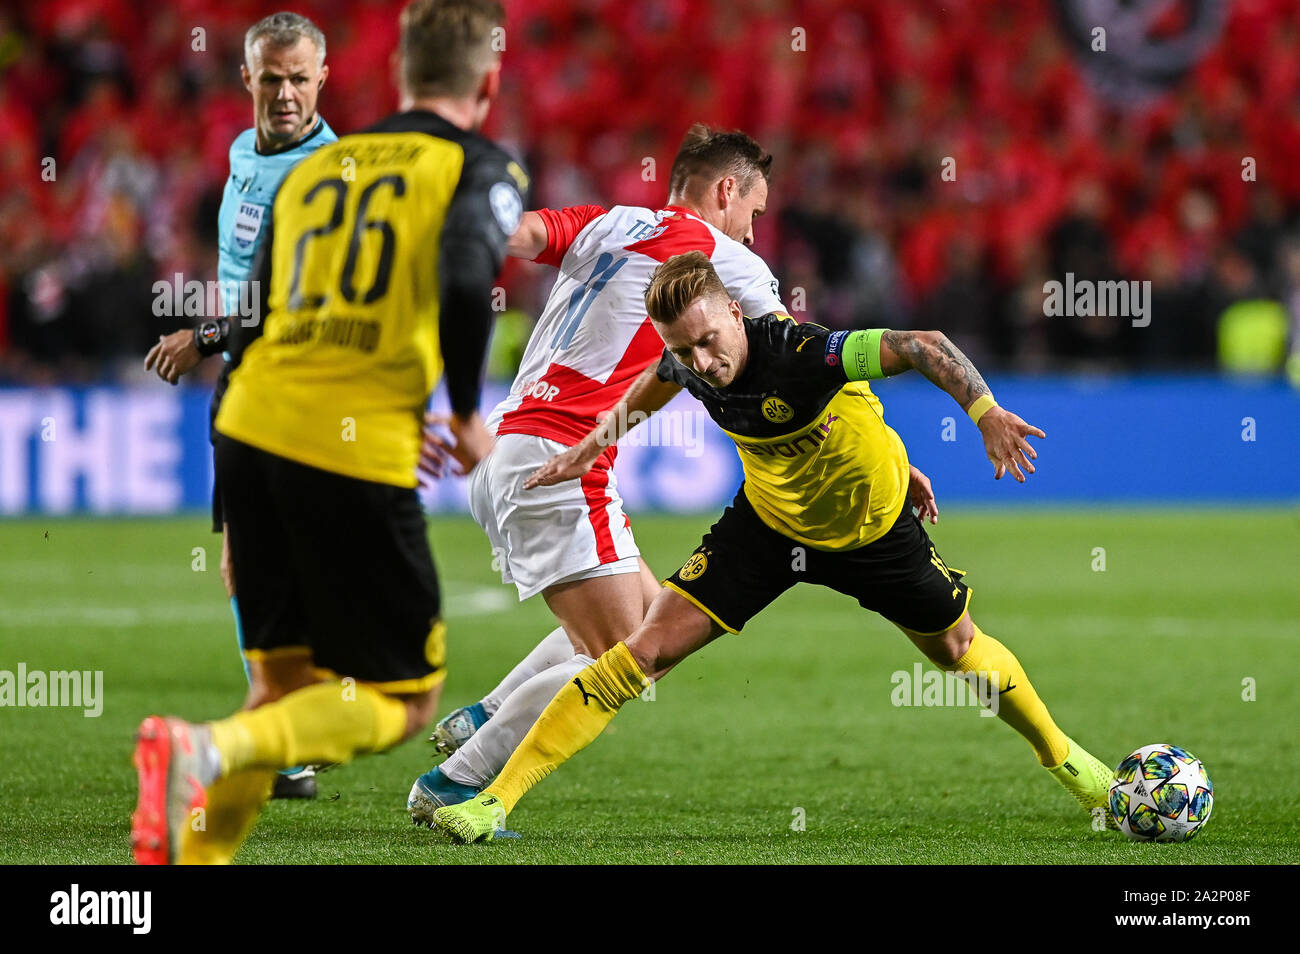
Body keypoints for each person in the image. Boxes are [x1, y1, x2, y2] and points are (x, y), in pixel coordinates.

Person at [431, 250, 1117, 843]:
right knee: (641, 653)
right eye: (683, 348)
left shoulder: (799, 351)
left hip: (873, 535)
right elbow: (656, 384)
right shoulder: (688, 362)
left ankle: (1070, 764)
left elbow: (922, 344)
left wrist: (985, 413)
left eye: (707, 340)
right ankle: (492, 801)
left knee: (958, 648)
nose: (703, 361)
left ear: (734, 311)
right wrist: (590, 448)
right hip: (768, 529)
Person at [406, 124, 941, 822]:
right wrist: (894, 455)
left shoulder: (610, 222)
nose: (753, 233)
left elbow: (518, 235)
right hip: (563, 459)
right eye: (754, 212)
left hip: (515, 442)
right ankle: (457, 780)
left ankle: (487, 714)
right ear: (726, 191)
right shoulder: (729, 271)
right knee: (631, 656)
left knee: (649, 610)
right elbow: (811, 367)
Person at [130, 0, 527, 864]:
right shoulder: (479, 165)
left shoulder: (321, 170)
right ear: (489, 81)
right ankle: (208, 750)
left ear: (393, 77)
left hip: (248, 418)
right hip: (343, 444)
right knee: (406, 699)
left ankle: (194, 849)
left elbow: (269, 311)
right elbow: (466, 281)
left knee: (277, 687)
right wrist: (459, 415)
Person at [143, 11, 337, 799]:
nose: (286, 93)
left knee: (280, 559)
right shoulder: (240, 154)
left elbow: (294, 296)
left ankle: (296, 734)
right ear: (247, 79)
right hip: (247, 383)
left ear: (323, 79)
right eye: (272, 78)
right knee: (243, 559)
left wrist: (205, 334)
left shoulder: (329, 175)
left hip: (299, 383)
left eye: (300, 78)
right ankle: (292, 725)